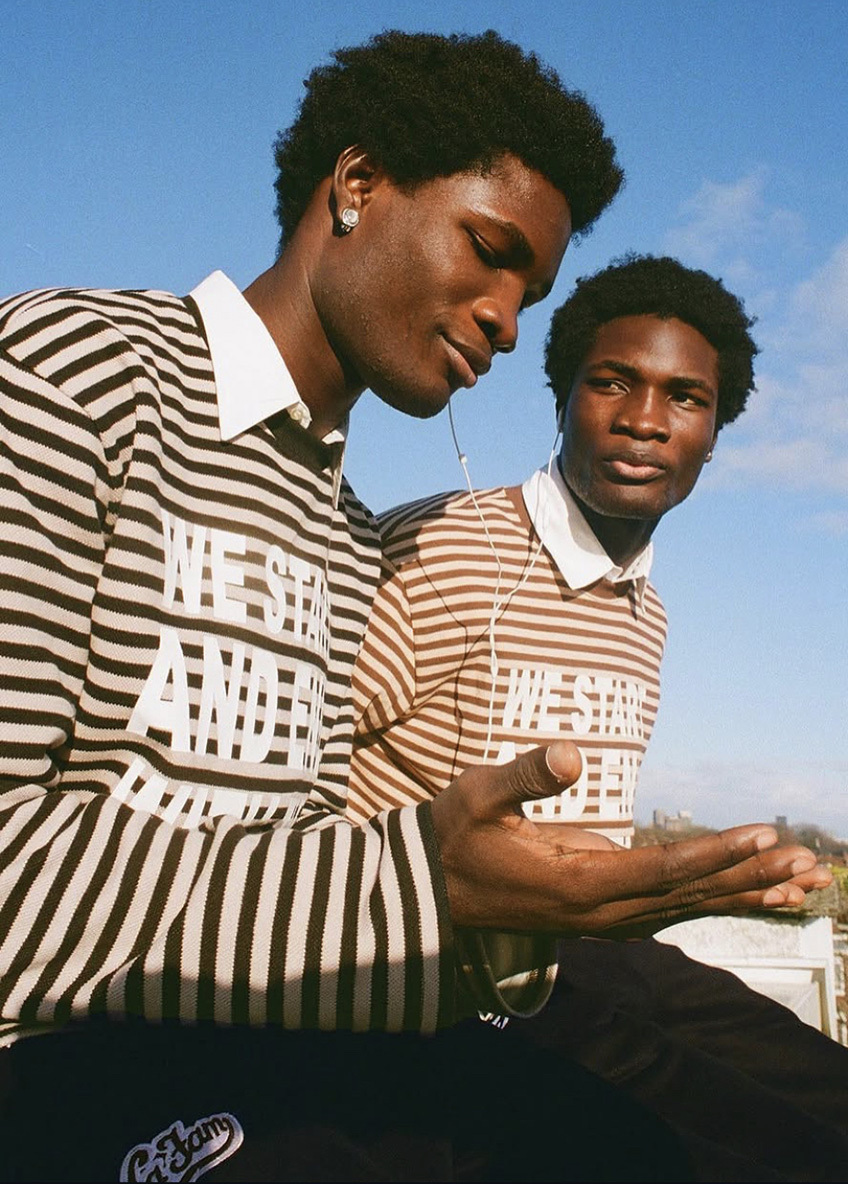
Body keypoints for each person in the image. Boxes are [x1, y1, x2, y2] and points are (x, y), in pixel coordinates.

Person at [0, 27, 828, 1179]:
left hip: (281, 1041)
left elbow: (295, 876)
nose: (505, 319)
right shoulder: (70, 373)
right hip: (63, 1067)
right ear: (356, 183)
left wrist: (533, 915)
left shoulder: (347, 532)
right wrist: (427, 884)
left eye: (529, 292)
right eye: (487, 251)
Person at [349, 253, 848, 1180]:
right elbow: (292, 774)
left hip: (589, 959)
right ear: (561, 398)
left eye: (685, 398)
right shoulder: (443, 552)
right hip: (439, 980)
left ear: (714, 434)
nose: (644, 421)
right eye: (611, 382)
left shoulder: (647, 613)